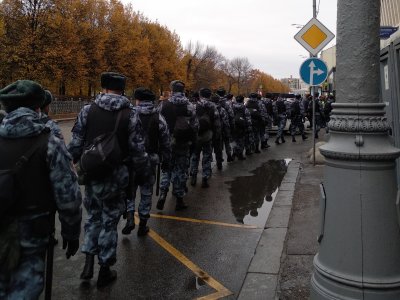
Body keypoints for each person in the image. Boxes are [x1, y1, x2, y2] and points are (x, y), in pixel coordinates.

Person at [0, 80, 82, 299]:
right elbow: (69, 197)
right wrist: (71, 232)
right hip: (32, 235)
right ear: (39, 107)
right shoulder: (49, 142)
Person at [68, 72, 150, 288]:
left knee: (93, 216)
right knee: (110, 221)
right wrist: (143, 172)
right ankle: (104, 268)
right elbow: (138, 150)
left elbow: (75, 143)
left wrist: (75, 165)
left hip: (93, 172)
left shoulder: (88, 110)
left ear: (103, 88)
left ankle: (87, 262)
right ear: (122, 90)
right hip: (117, 175)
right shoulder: (130, 114)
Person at [122, 88, 171, 236]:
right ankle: (142, 224)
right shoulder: (159, 117)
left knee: (130, 189)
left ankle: (130, 217)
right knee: (146, 192)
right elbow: (166, 142)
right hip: (150, 160)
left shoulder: (129, 115)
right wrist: (166, 160)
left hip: (131, 161)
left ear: (138, 100)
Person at [157, 80, 199, 211]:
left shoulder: (163, 105)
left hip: (167, 143)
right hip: (183, 143)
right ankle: (179, 199)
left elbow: (158, 124)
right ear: (183, 90)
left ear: (172, 90)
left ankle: (163, 193)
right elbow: (195, 125)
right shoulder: (189, 106)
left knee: (166, 168)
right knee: (180, 170)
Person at [190, 88, 221, 188]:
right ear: (210, 95)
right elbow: (217, 123)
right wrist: (216, 135)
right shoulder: (213, 106)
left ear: (200, 95)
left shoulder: (194, 106)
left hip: (196, 135)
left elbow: (191, 121)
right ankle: (205, 178)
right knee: (207, 156)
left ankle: (193, 176)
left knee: (195, 156)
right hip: (208, 134)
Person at [210, 94, 230, 169]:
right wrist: (227, 132)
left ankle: (207, 166)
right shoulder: (222, 109)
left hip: (208, 132)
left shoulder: (208, 108)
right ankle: (219, 164)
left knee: (209, 149)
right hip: (218, 131)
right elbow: (226, 122)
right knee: (218, 149)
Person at [232, 95, 253, 160]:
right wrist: (249, 128)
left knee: (235, 140)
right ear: (242, 100)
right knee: (241, 141)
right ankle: (240, 154)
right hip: (242, 127)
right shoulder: (245, 108)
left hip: (234, 126)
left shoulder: (231, 107)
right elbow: (248, 119)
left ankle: (234, 152)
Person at [216, 87, 234, 162]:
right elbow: (231, 114)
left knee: (218, 143)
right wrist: (232, 125)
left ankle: (219, 159)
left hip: (216, 126)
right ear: (224, 94)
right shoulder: (227, 103)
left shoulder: (213, 102)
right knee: (227, 141)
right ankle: (229, 155)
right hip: (226, 125)